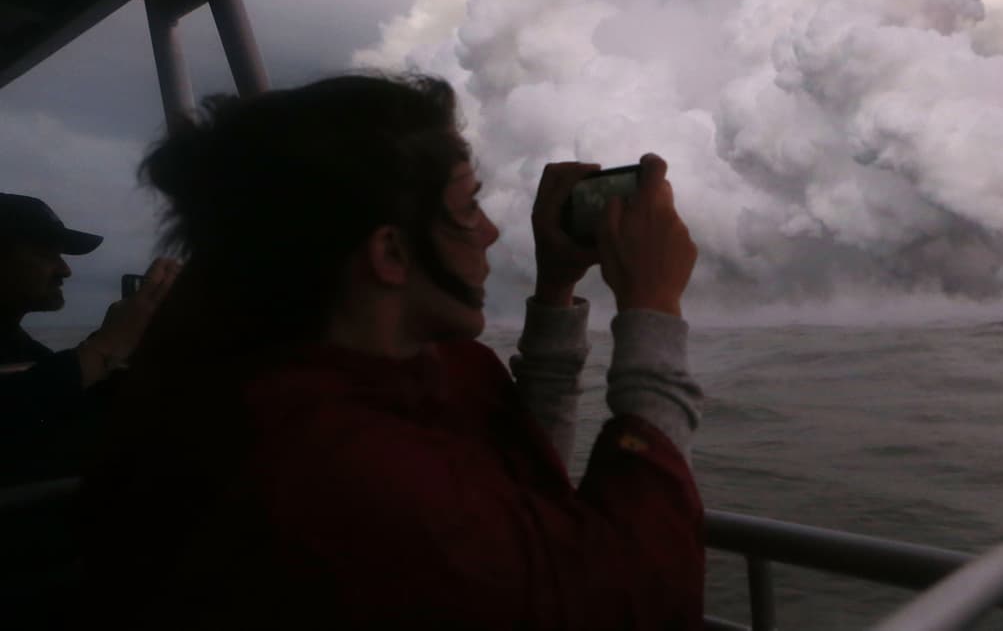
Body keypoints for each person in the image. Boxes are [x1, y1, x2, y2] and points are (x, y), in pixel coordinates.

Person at [79, 73, 705, 629]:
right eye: (468, 206)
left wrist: (556, 289)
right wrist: (650, 308)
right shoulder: (332, 469)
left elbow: (519, 486)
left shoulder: (277, 377)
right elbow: (632, 596)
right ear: (390, 253)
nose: (489, 232)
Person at [0, 193, 178, 486]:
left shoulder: (18, 348)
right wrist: (106, 346)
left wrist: (134, 342)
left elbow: (66, 400)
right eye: (46, 254)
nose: (65, 269)